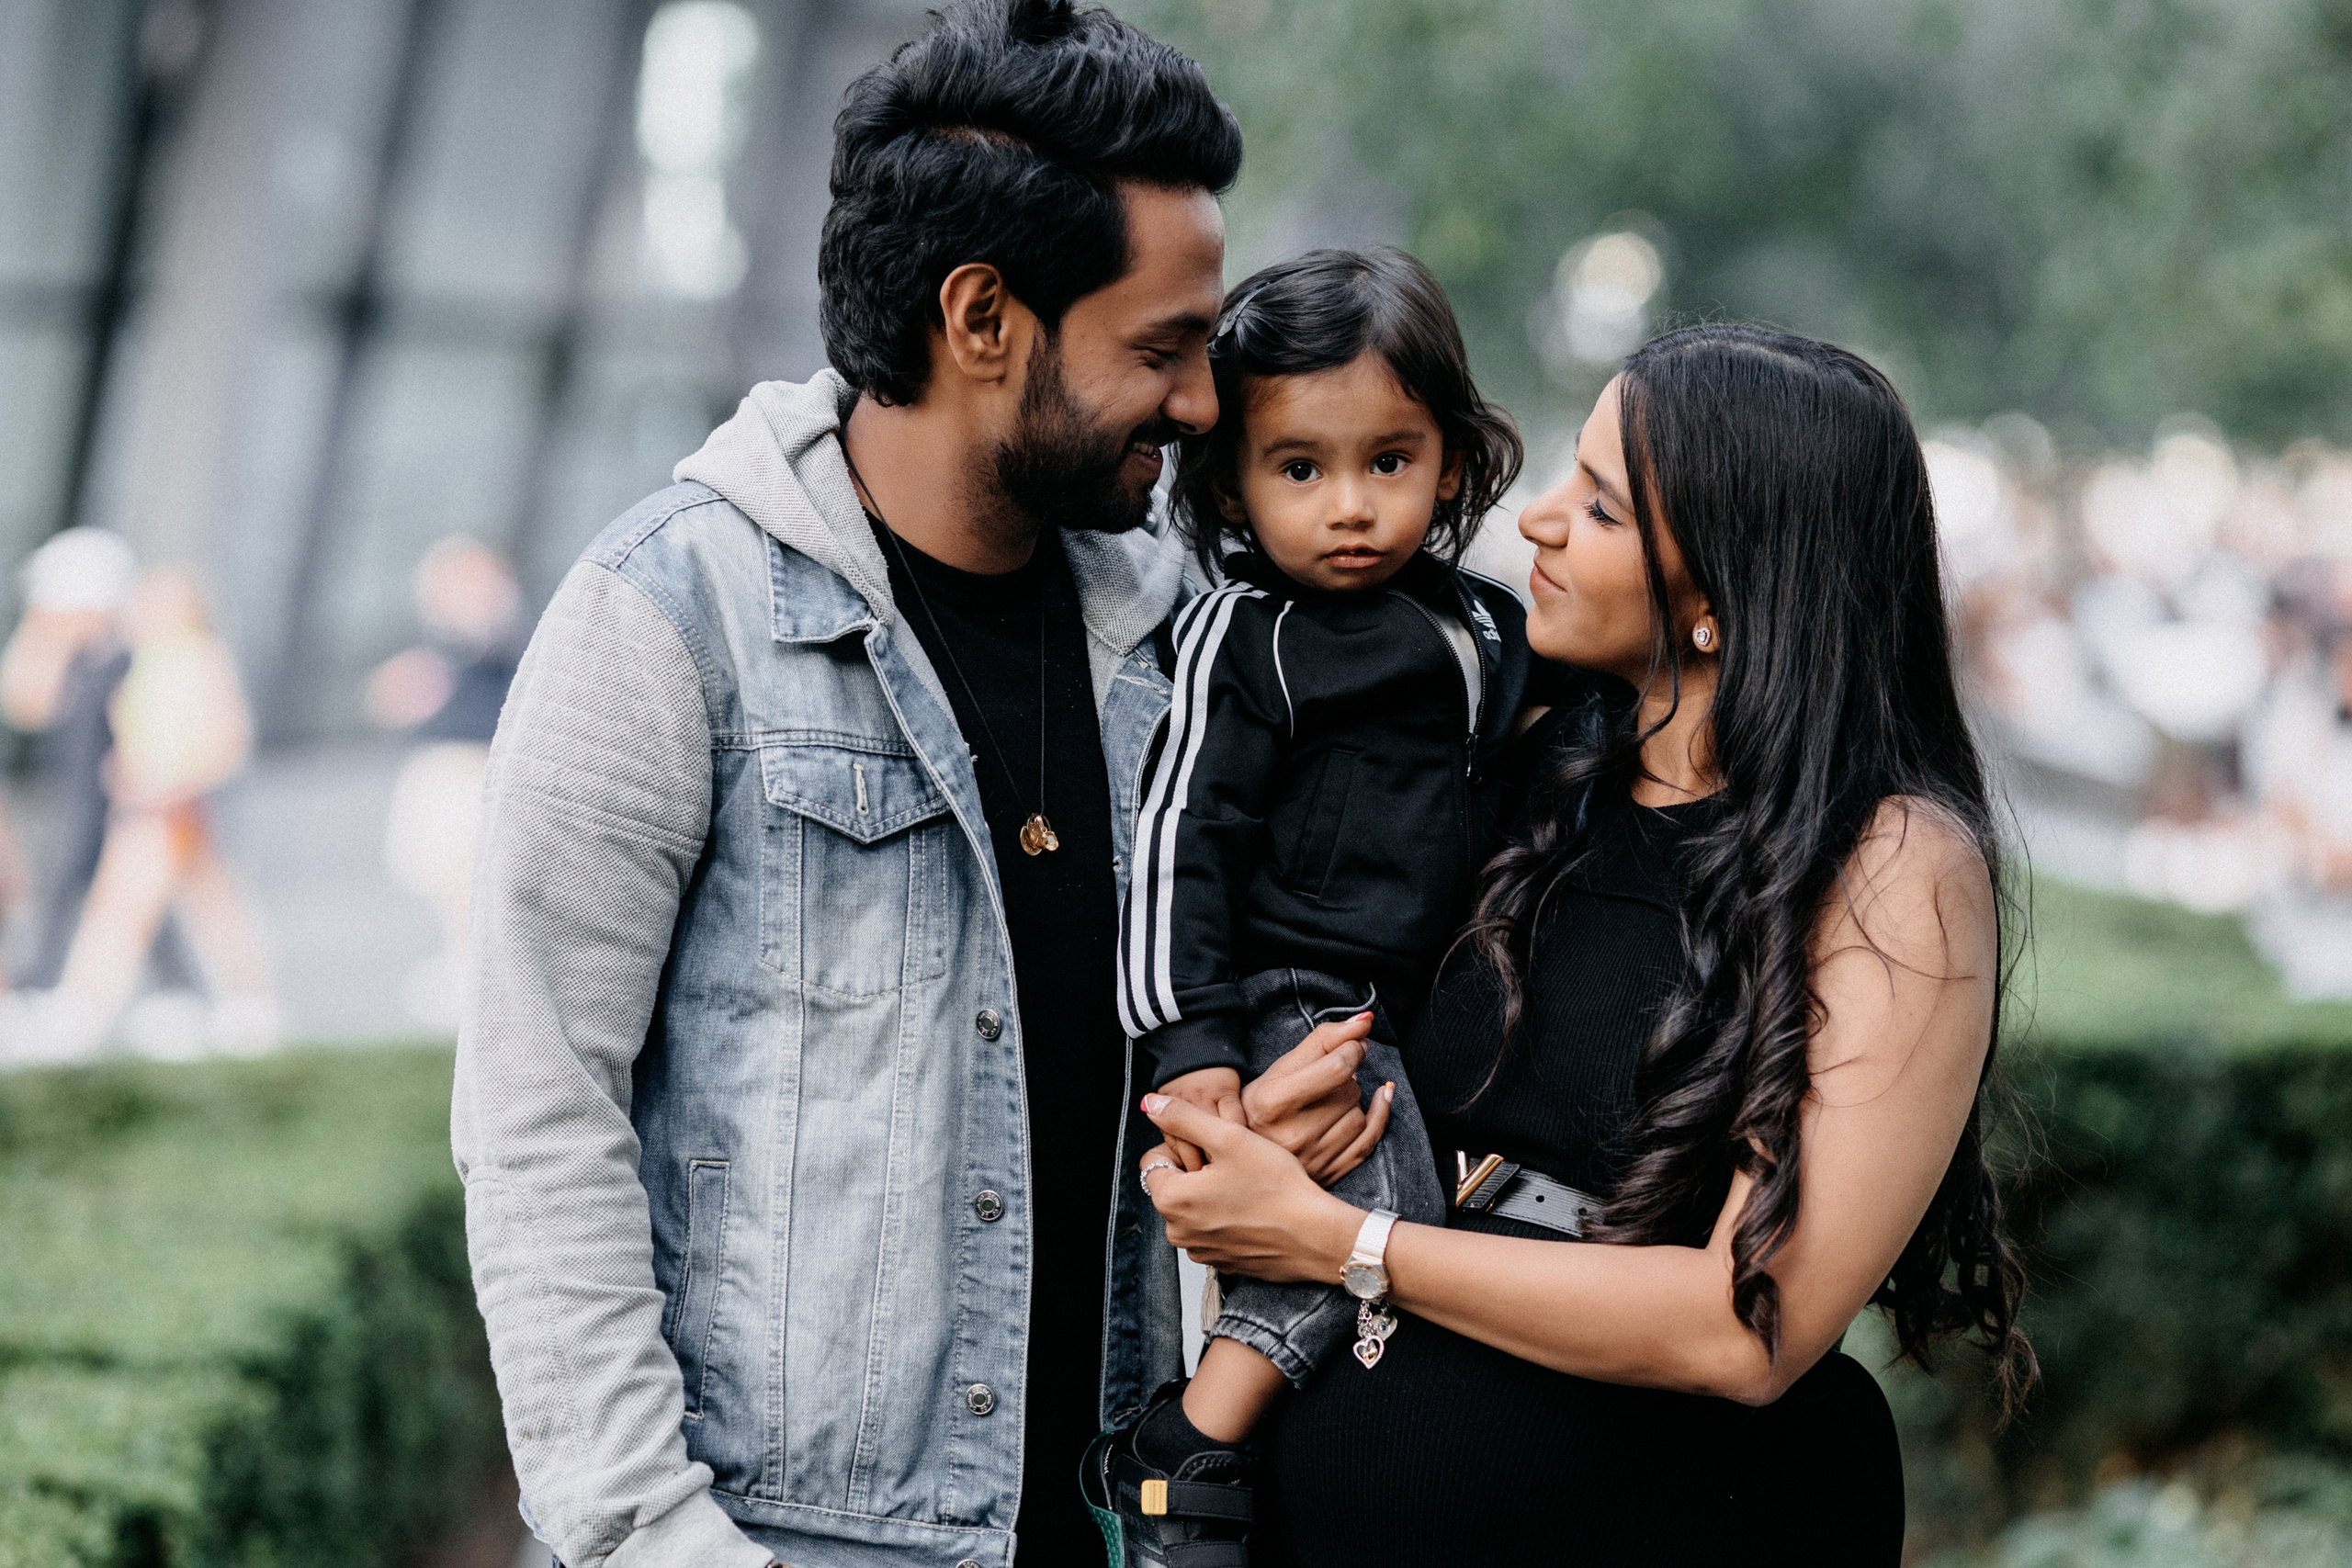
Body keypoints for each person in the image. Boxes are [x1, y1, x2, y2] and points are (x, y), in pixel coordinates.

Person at [455, 6, 1367, 1564]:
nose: (1206, 403)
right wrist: (657, 1543)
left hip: (1118, 1519)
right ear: (982, 316)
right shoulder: (673, 619)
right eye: (1159, 348)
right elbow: (541, 1120)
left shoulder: (1182, 641)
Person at [1135, 323, 2032, 1562]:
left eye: (1602, 505)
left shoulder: (1891, 862)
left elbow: (1745, 1322)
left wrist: (1349, 1242)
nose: (1540, 520)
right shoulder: (1525, 764)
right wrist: (1284, 1119)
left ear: (1724, 586)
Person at [1084, 248, 1554, 1564]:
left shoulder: (1487, 628)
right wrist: (1194, 1053)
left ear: (1452, 463)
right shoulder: (1247, 635)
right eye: (1300, 469)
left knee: (1424, 1234)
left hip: (1418, 1007)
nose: (1349, 506)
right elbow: (1182, 841)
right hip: (1294, 994)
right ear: (1232, 478)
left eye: (1388, 461)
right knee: (1372, 1227)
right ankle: (1183, 1450)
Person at [39, 569, 276, 1058]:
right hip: (148, 806)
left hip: (171, 808)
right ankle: (250, 1006)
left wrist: (177, 786)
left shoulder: (195, 660)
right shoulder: (148, 664)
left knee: (122, 912)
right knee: (207, 909)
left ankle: (81, 1012)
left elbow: (226, 739)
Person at [366, 536, 523, 1027]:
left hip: (474, 767)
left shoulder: (499, 626)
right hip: (439, 768)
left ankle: (474, 972)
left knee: (468, 877)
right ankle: (465, 965)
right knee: (445, 878)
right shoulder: (444, 644)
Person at [0, 527, 141, 991]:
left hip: (127, 799)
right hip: (81, 797)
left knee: (140, 892)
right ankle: (43, 986)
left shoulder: (127, 657)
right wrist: (44, 629)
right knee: (72, 884)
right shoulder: (77, 660)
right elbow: (24, 701)